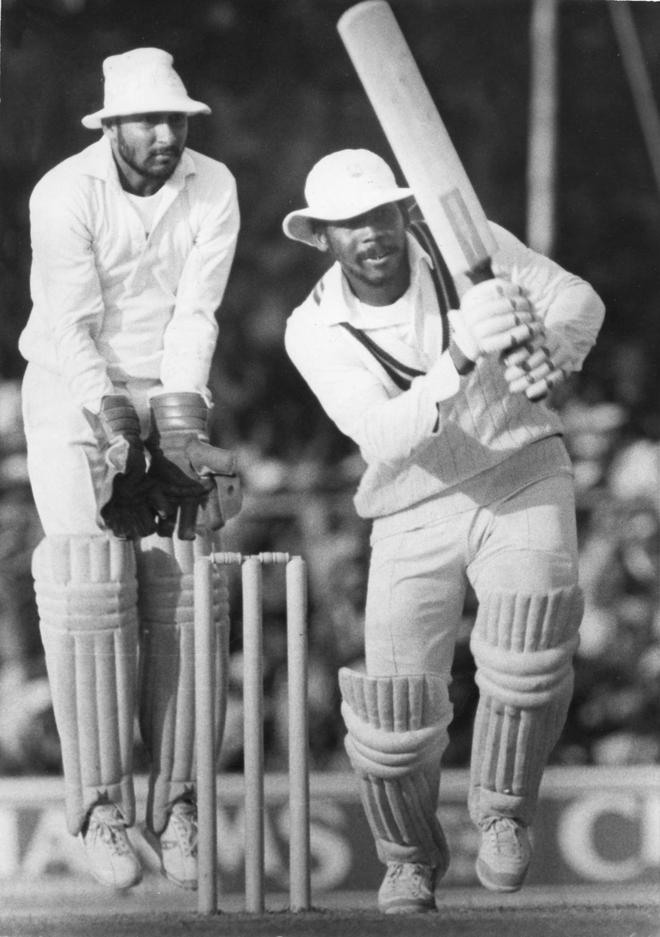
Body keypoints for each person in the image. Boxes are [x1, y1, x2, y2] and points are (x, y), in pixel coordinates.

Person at [282, 149, 604, 913]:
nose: (371, 235)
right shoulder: (312, 327)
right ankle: (408, 860)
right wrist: (462, 348)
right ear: (322, 237)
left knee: (531, 643)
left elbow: (577, 297)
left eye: (381, 215)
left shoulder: (467, 245)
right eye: (348, 225)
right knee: (394, 711)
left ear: (406, 212)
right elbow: (384, 433)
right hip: (407, 501)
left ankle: (501, 812)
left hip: (519, 464)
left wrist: (552, 349)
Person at [19, 48, 241, 891]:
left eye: (177, 119)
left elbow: (197, 309)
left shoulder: (212, 184)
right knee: (91, 584)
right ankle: (100, 808)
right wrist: (112, 418)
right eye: (147, 121)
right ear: (110, 126)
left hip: (169, 383)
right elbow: (69, 323)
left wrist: (177, 422)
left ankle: (179, 802)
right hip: (70, 389)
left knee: (184, 586)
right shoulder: (63, 191)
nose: (166, 135)